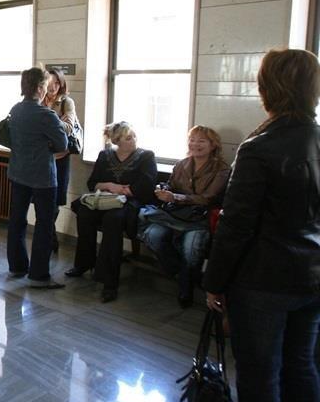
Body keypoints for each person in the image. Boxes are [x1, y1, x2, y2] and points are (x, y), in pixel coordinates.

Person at [204, 49, 320, 402]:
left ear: (267, 87)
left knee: (259, 376)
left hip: (263, 281)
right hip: (313, 277)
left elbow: (235, 226)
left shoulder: (259, 147)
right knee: (301, 365)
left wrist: (215, 282)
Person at [137, 126, 230, 308]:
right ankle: (182, 275)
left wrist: (177, 197)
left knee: (191, 248)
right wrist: (164, 190)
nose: (195, 144)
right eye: (192, 140)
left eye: (201, 141)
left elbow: (208, 198)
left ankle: (185, 287)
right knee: (152, 235)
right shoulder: (182, 164)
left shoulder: (222, 169)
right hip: (174, 215)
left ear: (213, 145)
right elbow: (171, 185)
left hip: (200, 218)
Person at [65, 121, 157, 303]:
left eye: (134, 136)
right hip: (104, 199)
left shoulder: (146, 156)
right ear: (117, 141)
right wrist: (110, 186)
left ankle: (109, 280)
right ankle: (84, 263)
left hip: (129, 203)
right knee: (84, 213)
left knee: (113, 220)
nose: (133, 140)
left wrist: (123, 191)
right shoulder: (105, 155)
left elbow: (146, 185)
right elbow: (93, 183)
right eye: (128, 138)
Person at [6, 67, 69, 288]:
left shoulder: (16, 110)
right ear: (41, 88)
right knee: (44, 224)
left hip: (18, 172)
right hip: (43, 177)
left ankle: (17, 265)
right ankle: (39, 274)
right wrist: (47, 143)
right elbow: (62, 144)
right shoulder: (46, 115)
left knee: (17, 220)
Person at [43, 68, 79, 252]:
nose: (53, 86)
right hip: (42, 158)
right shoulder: (38, 100)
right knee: (42, 200)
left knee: (55, 201)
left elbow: (68, 127)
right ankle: (49, 236)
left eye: (57, 83)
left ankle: (48, 236)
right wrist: (56, 122)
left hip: (60, 158)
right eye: (50, 82)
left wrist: (46, 122)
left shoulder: (66, 102)